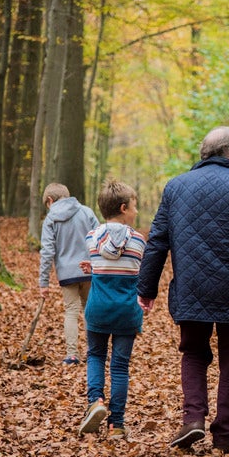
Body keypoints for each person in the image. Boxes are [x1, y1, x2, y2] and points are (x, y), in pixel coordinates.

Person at [137, 126, 229, 454]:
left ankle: (193, 419)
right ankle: (225, 435)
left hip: (192, 289)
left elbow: (157, 240)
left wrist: (146, 287)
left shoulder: (176, 187)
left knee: (193, 352)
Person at [77, 180, 146, 440]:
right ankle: (116, 424)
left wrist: (94, 267)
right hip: (126, 310)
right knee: (119, 366)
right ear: (123, 207)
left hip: (98, 308)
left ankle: (95, 401)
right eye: (135, 207)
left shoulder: (91, 238)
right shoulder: (139, 241)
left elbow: (104, 263)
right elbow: (132, 270)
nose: (136, 212)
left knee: (95, 355)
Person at [38, 183, 100, 365]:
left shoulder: (50, 220)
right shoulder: (87, 212)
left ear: (50, 200)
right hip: (89, 269)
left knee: (71, 312)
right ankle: (94, 352)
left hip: (67, 274)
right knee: (90, 310)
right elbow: (99, 239)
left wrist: (43, 282)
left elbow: (47, 252)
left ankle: (72, 354)